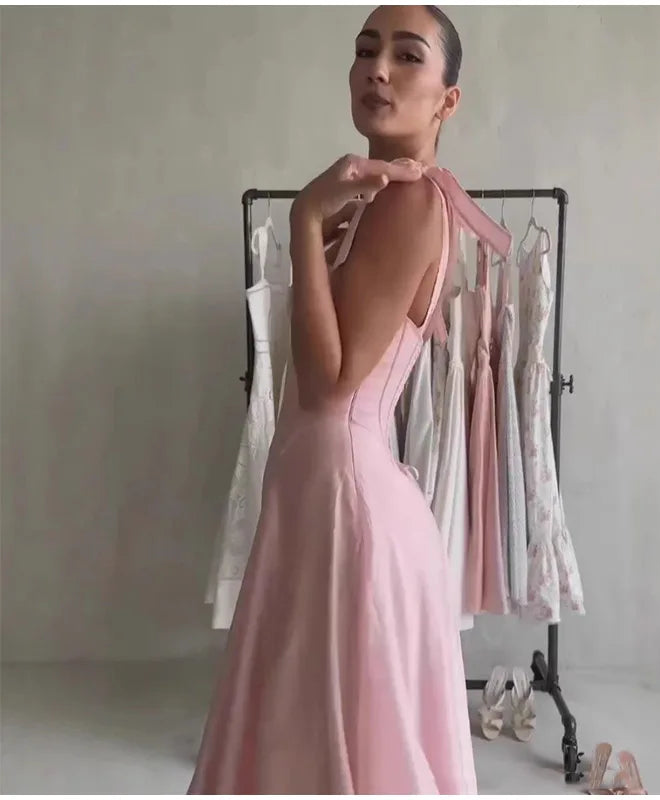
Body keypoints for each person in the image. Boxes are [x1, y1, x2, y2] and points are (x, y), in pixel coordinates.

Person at [188, 5, 478, 794]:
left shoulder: (413, 203)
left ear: (447, 99)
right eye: (364, 50)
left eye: (407, 55)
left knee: (324, 740)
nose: (376, 69)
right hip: (327, 486)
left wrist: (303, 214)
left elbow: (330, 381)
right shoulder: (384, 201)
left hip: (342, 495)